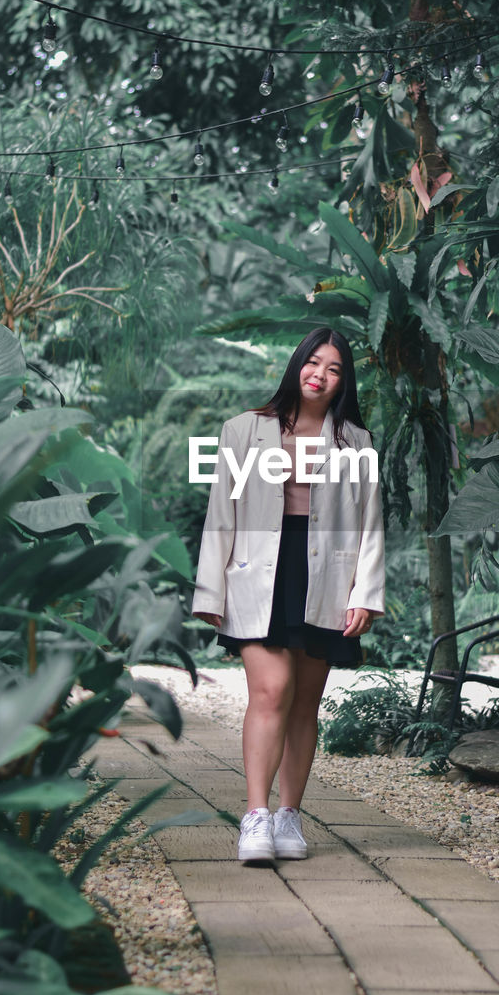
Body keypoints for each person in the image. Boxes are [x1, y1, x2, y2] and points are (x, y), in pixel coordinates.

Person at [192, 327, 385, 864]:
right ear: (296, 365)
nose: (319, 375)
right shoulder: (242, 430)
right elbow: (220, 513)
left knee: (305, 702)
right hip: (258, 573)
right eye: (313, 363)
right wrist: (210, 591)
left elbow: (372, 524)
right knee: (272, 691)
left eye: (334, 369)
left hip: (326, 576)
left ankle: (289, 816)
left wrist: (365, 594)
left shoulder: (356, 441)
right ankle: (254, 817)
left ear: (343, 381)